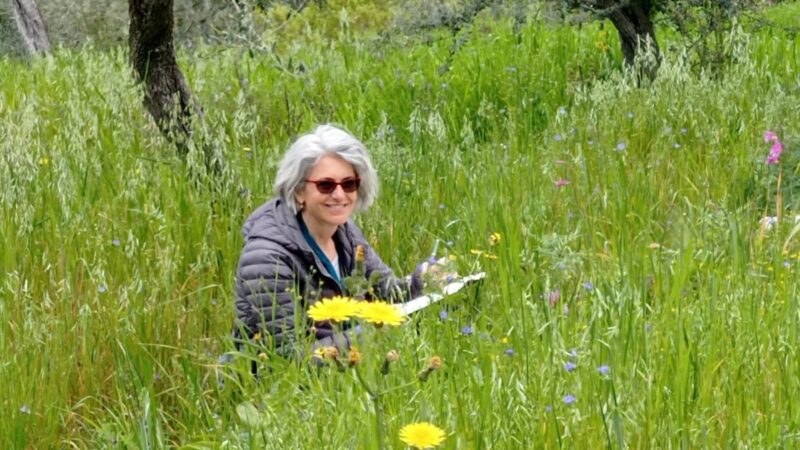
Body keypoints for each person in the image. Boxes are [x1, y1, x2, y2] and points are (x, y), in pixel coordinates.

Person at [233, 124, 428, 359]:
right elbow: (287, 356)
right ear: (298, 191)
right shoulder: (266, 257)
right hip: (277, 385)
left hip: (342, 368)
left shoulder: (344, 231)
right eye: (325, 185)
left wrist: (423, 279)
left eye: (349, 184)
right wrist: (370, 335)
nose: (339, 195)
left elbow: (387, 292)